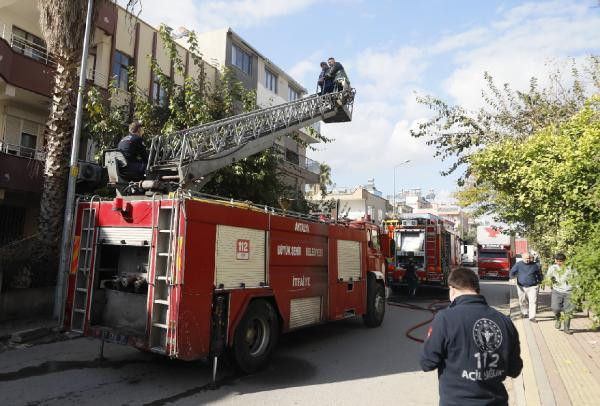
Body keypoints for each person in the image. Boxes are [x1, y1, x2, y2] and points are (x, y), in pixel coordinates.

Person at [421, 268, 523, 406]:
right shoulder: (504, 321)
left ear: (452, 290)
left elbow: (427, 362)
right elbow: (515, 369)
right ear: (477, 289)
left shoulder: (445, 319)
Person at [546, 253, 576, 334]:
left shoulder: (571, 268)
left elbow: (576, 278)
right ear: (555, 260)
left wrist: (578, 290)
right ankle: (558, 318)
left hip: (570, 292)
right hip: (557, 291)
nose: (559, 262)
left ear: (565, 261)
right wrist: (549, 280)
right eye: (557, 261)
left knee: (568, 311)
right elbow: (548, 277)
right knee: (555, 308)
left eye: (561, 261)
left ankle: (566, 328)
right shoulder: (552, 267)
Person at [509, 252, 543, 322]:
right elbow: (512, 272)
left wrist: (541, 281)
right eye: (526, 258)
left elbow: (539, 274)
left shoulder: (535, 265)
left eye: (529, 258)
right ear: (522, 258)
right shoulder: (518, 265)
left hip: (533, 286)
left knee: (533, 301)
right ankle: (524, 313)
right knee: (522, 300)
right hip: (521, 286)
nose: (527, 260)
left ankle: (532, 317)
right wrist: (512, 278)